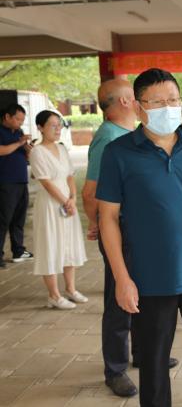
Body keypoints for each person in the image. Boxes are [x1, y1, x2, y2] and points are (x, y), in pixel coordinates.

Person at [97, 68, 182, 407]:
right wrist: (122, 278)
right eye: (157, 102)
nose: (168, 108)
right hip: (148, 278)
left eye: (173, 100)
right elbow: (107, 218)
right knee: (153, 363)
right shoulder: (118, 152)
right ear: (139, 106)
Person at [82, 78, 179, 398]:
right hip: (119, 232)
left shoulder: (130, 135)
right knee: (119, 299)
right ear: (128, 102)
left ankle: (142, 353)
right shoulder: (109, 139)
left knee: (144, 293)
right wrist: (97, 222)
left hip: (140, 232)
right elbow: (91, 192)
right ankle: (115, 368)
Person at [30, 110, 87, 309]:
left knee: (68, 244)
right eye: (52, 125)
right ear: (40, 127)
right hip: (50, 205)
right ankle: (53, 295)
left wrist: (73, 198)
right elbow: (46, 182)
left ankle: (70, 289)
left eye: (59, 125)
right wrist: (65, 201)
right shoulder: (37, 152)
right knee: (51, 245)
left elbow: (70, 175)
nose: (57, 129)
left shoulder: (62, 149)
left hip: (67, 204)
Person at [0, 103, 34, 267]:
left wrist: (27, 149)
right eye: (18, 119)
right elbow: (2, 150)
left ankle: (18, 250)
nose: (21, 123)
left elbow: (24, 156)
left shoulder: (18, 133)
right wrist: (19, 144)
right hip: (6, 182)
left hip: (21, 180)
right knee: (3, 219)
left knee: (19, 218)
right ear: (7, 117)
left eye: (22, 120)